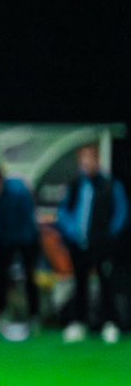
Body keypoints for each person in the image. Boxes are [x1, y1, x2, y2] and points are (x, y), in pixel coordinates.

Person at [55, 143, 127, 343]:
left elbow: (121, 212)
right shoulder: (75, 185)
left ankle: (110, 323)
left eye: (89, 158)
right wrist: (72, 232)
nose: (86, 163)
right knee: (79, 284)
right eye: (82, 159)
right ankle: (79, 323)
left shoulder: (110, 184)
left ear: (97, 160)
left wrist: (109, 234)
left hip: (102, 243)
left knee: (106, 284)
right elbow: (63, 212)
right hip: (78, 244)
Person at [0, 163, 40, 335]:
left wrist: (27, 240)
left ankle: (34, 316)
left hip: (26, 239)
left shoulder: (18, 190)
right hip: (4, 240)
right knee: (1, 277)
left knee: (29, 276)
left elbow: (28, 217)